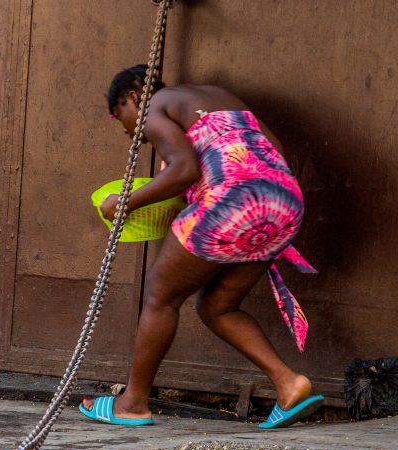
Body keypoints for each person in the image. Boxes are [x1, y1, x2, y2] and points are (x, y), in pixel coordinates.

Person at [79, 64, 322, 429]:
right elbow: (273, 152)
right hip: (283, 202)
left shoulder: (154, 104)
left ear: (133, 96)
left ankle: (132, 402)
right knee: (217, 306)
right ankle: (290, 385)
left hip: (231, 200)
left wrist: (125, 201)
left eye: (119, 117)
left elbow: (184, 169)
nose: (130, 132)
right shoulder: (217, 98)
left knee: (159, 296)